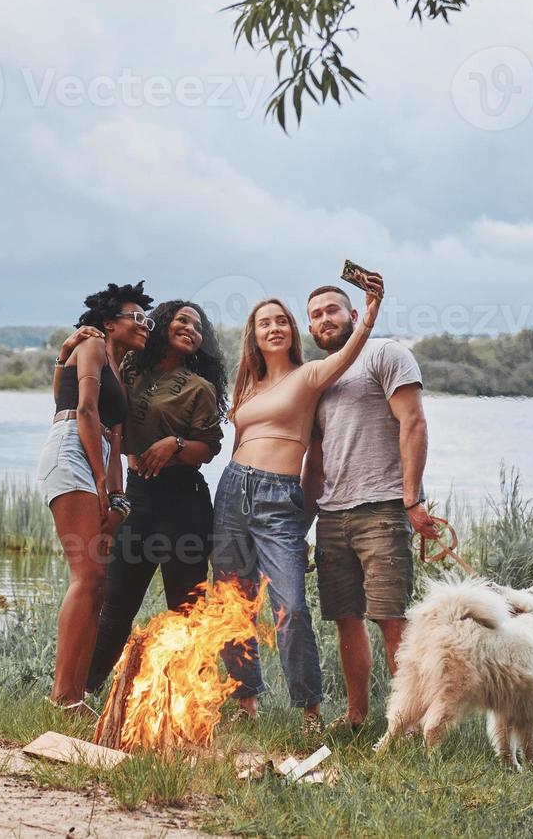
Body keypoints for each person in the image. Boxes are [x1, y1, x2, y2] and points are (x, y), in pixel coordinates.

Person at [212, 275, 382, 734]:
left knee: (292, 607)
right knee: (233, 602)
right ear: (255, 334)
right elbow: (239, 443)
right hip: (232, 491)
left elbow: (348, 354)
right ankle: (245, 701)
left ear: (292, 331)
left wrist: (368, 315)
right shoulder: (246, 386)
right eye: (264, 323)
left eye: (282, 321)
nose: (274, 328)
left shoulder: (309, 377)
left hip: (278, 497)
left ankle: (309, 711)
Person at [61, 301, 227, 694]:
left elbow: (209, 448)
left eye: (198, 326)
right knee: (115, 604)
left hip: (184, 501)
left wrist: (175, 444)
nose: (190, 329)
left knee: (187, 611)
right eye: (182, 320)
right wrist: (77, 341)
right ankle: (84, 692)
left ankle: (190, 703)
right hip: (137, 497)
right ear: (163, 324)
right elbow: (100, 400)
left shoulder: (199, 388)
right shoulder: (130, 370)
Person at [301, 285, 438, 732]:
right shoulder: (318, 376)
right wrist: (300, 526)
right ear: (310, 327)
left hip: (381, 507)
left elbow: (413, 423)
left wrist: (412, 499)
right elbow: (315, 459)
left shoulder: (385, 354)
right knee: (345, 617)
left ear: (353, 313)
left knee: (391, 617)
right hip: (332, 515)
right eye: (316, 314)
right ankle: (357, 716)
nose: (325, 319)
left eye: (332, 310)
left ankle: (411, 724)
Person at [37, 282, 151, 709]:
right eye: (136, 318)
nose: (145, 325)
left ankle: (76, 694)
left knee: (98, 583)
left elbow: (116, 439)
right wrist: (101, 481)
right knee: (86, 577)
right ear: (108, 323)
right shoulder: (93, 343)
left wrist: (119, 497)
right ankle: (63, 697)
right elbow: (80, 409)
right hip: (72, 448)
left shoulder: (119, 367)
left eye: (148, 320)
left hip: (98, 453)